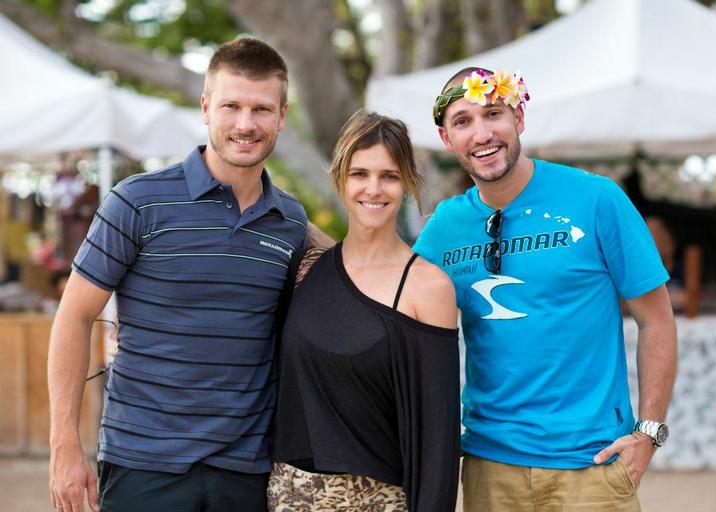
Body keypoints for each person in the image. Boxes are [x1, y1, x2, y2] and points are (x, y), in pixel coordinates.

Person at [48, 37, 308, 512]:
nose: (246, 124)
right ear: (206, 107)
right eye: (231, 106)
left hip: (246, 472)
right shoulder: (136, 201)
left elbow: (353, 267)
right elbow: (73, 316)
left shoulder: (289, 222)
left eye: (261, 109)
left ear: (282, 116)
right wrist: (64, 445)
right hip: (143, 466)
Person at [413, 67, 677, 511]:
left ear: (519, 118)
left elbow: (657, 320)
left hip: (592, 464)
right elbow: (390, 299)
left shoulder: (596, 200)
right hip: (489, 467)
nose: (481, 134)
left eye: (493, 114)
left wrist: (648, 434)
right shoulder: (445, 227)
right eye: (463, 121)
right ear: (446, 139)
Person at [268, 110, 461, 511]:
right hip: (289, 495)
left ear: (408, 182)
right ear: (340, 177)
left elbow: (437, 438)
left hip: (379, 500)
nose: (373, 189)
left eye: (389, 175)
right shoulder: (305, 271)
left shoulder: (428, 287)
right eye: (360, 174)